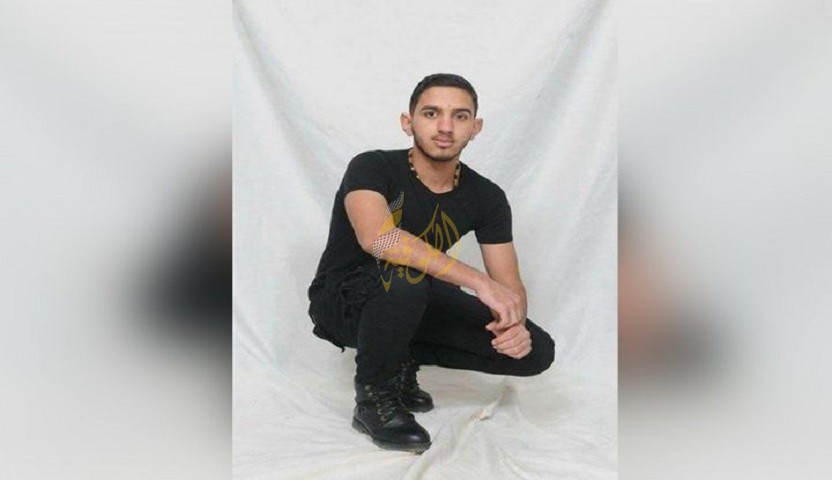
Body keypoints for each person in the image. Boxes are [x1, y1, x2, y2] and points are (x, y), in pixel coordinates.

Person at [307, 73, 555, 454]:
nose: (445, 127)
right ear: (408, 122)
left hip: (413, 298)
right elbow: (379, 239)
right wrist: (478, 282)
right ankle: (375, 398)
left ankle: (400, 360)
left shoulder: (487, 197)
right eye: (431, 113)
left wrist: (515, 322)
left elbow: (508, 287)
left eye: (460, 116)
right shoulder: (371, 167)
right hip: (342, 302)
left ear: (475, 128)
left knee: (536, 350)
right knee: (405, 277)